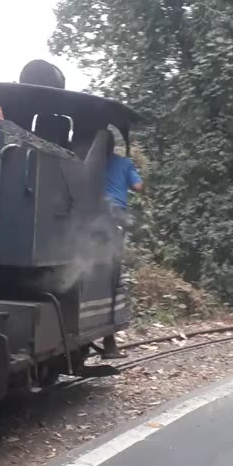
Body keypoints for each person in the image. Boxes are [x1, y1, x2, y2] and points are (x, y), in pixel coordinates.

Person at [100, 139, 142, 359]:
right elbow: (137, 186)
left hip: (90, 215)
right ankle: (109, 341)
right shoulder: (125, 163)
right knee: (113, 274)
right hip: (114, 215)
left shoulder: (87, 161)